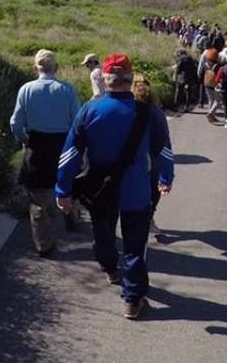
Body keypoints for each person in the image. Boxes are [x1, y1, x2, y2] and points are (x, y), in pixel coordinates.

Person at [55, 54, 174, 320]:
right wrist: (166, 178)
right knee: (135, 245)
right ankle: (132, 299)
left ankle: (110, 268)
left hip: (100, 189)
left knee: (104, 234)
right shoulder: (148, 113)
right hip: (137, 190)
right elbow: (163, 151)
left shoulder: (89, 110)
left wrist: (63, 189)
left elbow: (71, 153)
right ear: (130, 80)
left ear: (106, 80)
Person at [10, 49, 82, 255]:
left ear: (36, 68)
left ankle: (43, 243)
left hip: (37, 147)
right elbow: (77, 122)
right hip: (62, 146)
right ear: (56, 68)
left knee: (38, 199)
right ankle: (71, 218)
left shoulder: (26, 89)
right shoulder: (67, 89)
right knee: (67, 186)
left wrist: (24, 139)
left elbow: (16, 123)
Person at [132, 74, 167, 241]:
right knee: (153, 192)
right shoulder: (157, 112)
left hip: (129, 161)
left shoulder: (125, 108)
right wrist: (167, 176)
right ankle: (148, 218)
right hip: (152, 160)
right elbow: (164, 145)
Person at [172, 48, 199, 113]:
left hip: (182, 77)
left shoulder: (180, 58)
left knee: (179, 92)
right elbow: (194, 68)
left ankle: (176, 106)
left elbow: (178, 69)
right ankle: (187, 107)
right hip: (190, 78)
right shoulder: (190, 58)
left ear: (180, 53)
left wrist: (175, 74)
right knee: (188, 92)